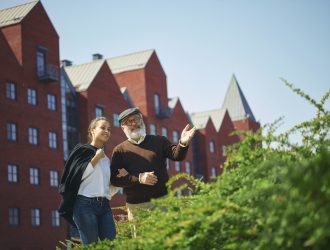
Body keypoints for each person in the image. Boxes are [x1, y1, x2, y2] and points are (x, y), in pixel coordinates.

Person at [110, 107, 196, 221]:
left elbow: (177, 156)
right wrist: (139, 178)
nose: (134, 123)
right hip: (136, 208)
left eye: (136, 119)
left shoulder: (159, 141)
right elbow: (115, 180)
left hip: (162, 203)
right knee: (141, 239)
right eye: (128, 122)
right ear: (123, 127)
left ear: (142, 120)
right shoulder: (119, 150)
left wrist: (183, 143)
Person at [58, 117, 128, 244]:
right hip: (85, 205)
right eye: (102, 128)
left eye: (109, 129)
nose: (107, 131)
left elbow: (107, 190)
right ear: (92, 130)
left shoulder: (105, 160)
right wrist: (95, 158)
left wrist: (119, 180)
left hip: (105, 206)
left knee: (111, 244)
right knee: (92, 246)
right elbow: (77, 177)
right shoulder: (82, 150)